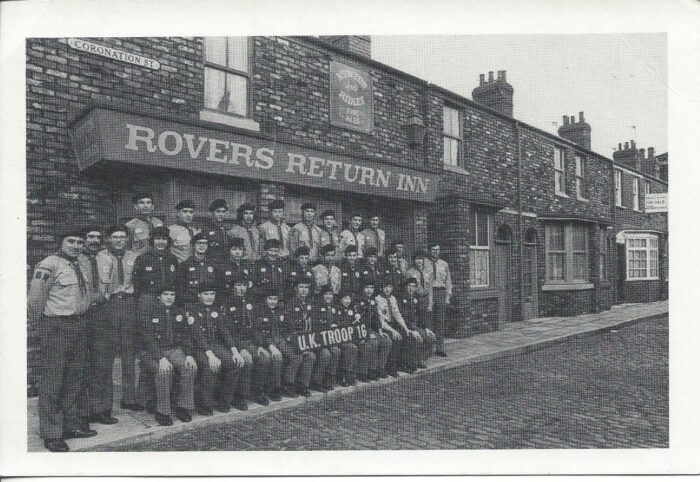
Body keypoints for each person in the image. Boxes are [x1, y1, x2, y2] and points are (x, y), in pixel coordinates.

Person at [28, 228, 97, 451]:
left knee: (76, 378)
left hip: (79, 324)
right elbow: (36, 299)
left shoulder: (80, 264)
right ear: (61, 242)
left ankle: (72, 425)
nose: (76, 246)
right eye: (71, 241)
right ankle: (52, 433)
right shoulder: (49, 264)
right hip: (57, 326)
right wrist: (41, 326)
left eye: (79, 241)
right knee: (53, 381)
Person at [95, 225, 141, 411]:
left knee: (129, 353)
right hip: (109, 305)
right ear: (108, 239)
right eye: (115, 237)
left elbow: (139, 281)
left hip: (128, 304)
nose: (119, 240)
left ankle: (129, 398)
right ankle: (105, 404)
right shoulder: (100, 257)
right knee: (107, 353)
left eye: (122, 237)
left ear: (127, 239)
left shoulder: (133, 256)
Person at [138, 284, 196, 426]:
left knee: (189, 367)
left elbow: (186, 336)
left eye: (172, 294)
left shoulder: (179, 312)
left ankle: (183, 407)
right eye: (166, 294)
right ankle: (163, 412)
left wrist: (188, 355)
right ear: (159, 296)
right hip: (152, 352)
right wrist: (161, 358)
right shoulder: (149, 311)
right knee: (164, 371)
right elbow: (147, 338)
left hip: (174, 350)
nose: (169, 297)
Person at [78, 226, 118, 426]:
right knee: (83, 364)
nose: (94, 240)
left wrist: (103, 298)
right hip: (81, 316)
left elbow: (112, 285)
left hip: (102, 315)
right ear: (83, 239)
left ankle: (102, 409)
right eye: (90, 236)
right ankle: (84, 411)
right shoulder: (75, 260)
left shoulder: (107, 259)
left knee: (103, 364)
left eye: (98, 237)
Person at [187, 283, 244, 415]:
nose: (209, 297)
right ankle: (204, 404)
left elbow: (224, 331)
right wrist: (211, 355)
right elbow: (197, 335)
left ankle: (224, 400)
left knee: (235, 363)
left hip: (215, 346)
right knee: (210, 366)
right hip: (198, 348)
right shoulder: (192, 310)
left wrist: (235, 351)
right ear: (199, 295)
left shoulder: (215, 310)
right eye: (206, 294)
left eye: (212, 294)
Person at [223, 277, 259, 409]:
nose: (242, 288)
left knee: (264, 359)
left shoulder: (251, 302)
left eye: (244, 285)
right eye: (238, 285)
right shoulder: (227, 303)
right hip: (233, 343)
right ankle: (238, 397)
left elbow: (256, 326)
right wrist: (241, 348)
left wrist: (259, 345)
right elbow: (227, 331)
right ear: (233, 287)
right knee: (246, 362)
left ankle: (257, 392)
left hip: (250, 341)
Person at [283, 278, 317, 397]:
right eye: (301, 287)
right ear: (296, 289)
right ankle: (289, 385)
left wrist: (309, 343)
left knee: (311, 356)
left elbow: (313, 325)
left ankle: (303, 385)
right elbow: (289, 326)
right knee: (297, 357)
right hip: (292, 340)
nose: (304, 290)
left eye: (306, 287)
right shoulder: (291, 303)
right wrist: (300, 344)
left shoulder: (310, 304)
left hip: (307, 340)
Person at [252, 286, 286, 403]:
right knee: (273, 358)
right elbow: (257, 331)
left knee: (294, 355)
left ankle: (281, 386)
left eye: (275, 299)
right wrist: (269, 345)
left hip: (279, 340)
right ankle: (261, 391)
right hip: (264, 342)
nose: (272, 301)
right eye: (270, 299)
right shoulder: (259, 311)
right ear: (265, 299)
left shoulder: (279, 310)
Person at [132, 226, 179, 306]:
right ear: (152, 240)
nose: (161, 242)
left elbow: (177, 281)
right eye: (157, 239)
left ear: (168, 241)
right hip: (149, 300)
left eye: (164, 239)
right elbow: (137, 283)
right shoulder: (143, 259)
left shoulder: (172, 259)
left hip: (168, 301)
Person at [375, 280, 410, 377]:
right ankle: (390, 367)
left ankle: (402, 364)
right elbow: (380, 320)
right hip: (384, 325)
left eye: (389, 287)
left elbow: (397, 314)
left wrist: (405, 328)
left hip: (392, 324)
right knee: (395, 338)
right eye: (385, 287)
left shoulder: (393, 298)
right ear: (382, 288)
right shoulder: (378, 299)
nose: (387, 289)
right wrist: (392, 330)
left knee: (406, 335)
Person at [356, 279, 390, 380]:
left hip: (372, 330)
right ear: (362, 289)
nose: (369, 290)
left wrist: (379, 330)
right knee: (374, 342)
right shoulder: (359, 301)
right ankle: (369, 370)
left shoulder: (372, 301)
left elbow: (376, 317)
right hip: (361, 331)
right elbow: (358, 321)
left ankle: (380, 368)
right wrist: (367, 333)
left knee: (387, 342)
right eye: (367, 288)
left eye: (371, 288)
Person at [399, 278, 436, 367]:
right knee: (417, 338)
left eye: (413, 286)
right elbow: (403, 317)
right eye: (409, 286)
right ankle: (412, 362)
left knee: (431, 338)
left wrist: (426, 328)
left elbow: (421, 314)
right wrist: (412, 330)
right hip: (405, 326)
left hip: (416, 326)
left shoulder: (416, 297)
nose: (411, 288)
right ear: (406, 287)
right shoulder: (402, 298)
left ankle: (420, 359)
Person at [175, 232, 220, 305]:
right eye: (199, 243)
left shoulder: (214, 265)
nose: (201, 245)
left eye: (204, 243)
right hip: (190, 304)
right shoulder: (185, 265)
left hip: (210, 304)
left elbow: (219, 287)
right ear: (193, 245)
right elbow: (180, 288)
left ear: (208, 246)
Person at [309, 287, 341, 391]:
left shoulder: (335, 307)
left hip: (331, 338)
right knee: (325, 354)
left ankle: (329, 379)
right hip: (319, 339)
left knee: (336, 351)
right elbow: (314, 325)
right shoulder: (316, 307)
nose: (328, 296)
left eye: (330, 294)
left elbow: (339, 321)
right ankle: (316, 381)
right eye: (326, 294)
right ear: (322, 295)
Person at [425, 242, 451, 357]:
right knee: (429, 319)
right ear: (430, 250)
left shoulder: (444, 264)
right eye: (433, 249)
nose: (435, 252)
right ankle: (429, 348)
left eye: (437, 250)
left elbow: (448, 282)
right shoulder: (425, 263)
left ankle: (440, 348)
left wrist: (447, 296)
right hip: (429, 293)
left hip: (440, 292)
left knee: (440, 321)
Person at [334, 290, 362, 386]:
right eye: (345, 298)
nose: (347, 301)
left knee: (356, 345)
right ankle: (345, 374)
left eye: (349, 298)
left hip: (351, 337)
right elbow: (339, 325)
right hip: (340, 337)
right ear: (340, 299)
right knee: (352, 348)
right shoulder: (337, 309)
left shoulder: (352, 310)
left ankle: (351, 374)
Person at [126, 192, 165, 256]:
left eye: (148, 203)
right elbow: (127, 248)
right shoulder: (130, 225)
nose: (145, 206)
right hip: (140, 260)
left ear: (152, 206)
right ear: (136, 206)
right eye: (141, 203)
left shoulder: (159, 223)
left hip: (158, 258)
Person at [220, 237, 253, 304]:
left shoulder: (248, 266)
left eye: (240, 249)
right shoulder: (222, 267)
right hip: (227, 301)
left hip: (245, 301)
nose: (237, 252)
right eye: (234, 249)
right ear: (228, 250)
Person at [200, 199, 233, 264]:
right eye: (218, 211)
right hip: (211, 264)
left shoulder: (226, 230)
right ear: (212, 213)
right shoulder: (206, 229)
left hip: (225, 263)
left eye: (223, 212)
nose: (221, 214)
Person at [406, 250, 434, 320]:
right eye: (417, 259)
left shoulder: (428, 272)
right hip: (416, 298)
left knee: (427, 320)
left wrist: (430, 303)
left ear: (423, 260)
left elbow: (430, 288)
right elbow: (407, 288)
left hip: (425, 299)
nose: (419, 261)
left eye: (421, 259)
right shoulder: (410, 272)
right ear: (414, 260)